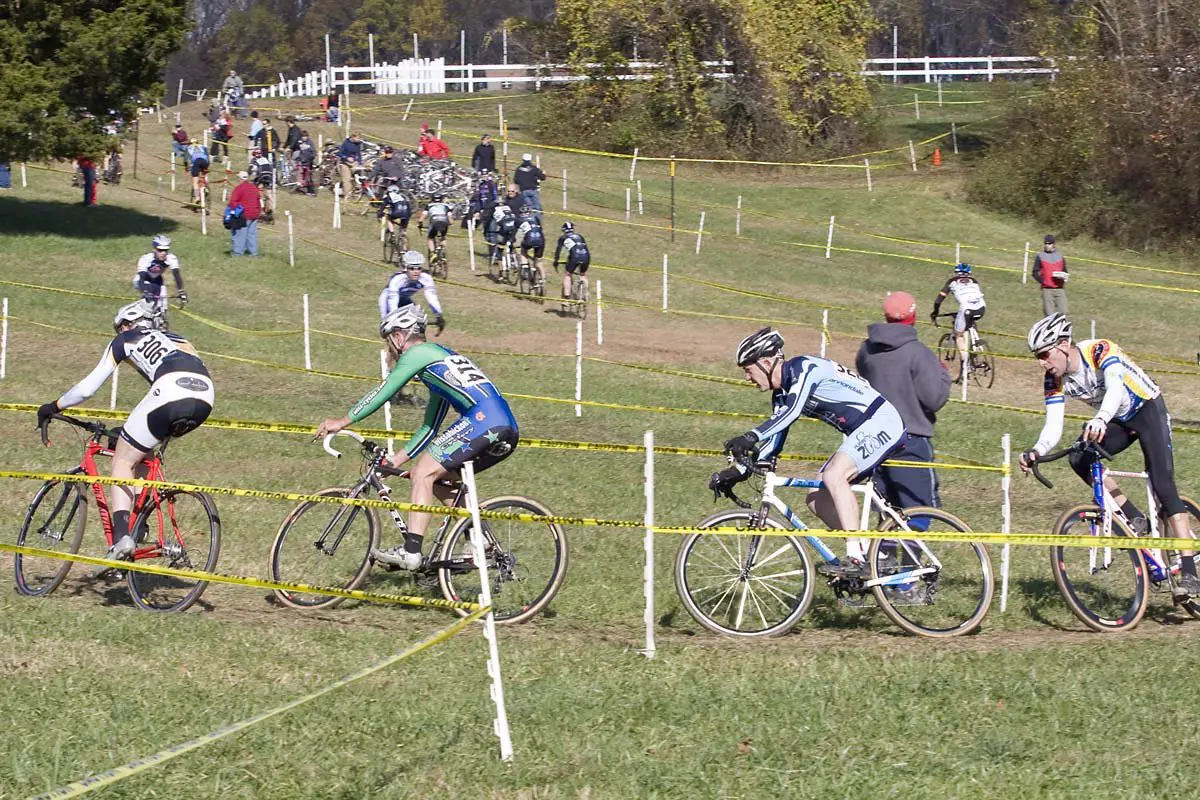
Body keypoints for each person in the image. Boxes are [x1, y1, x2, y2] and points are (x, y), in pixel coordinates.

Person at [314, 305, 518, 570]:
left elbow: (384, 390)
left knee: (423, 472)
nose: (389, 350)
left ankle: (411, 552)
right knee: (438, 479)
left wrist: (342, 421)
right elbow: (430, 428)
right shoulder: (437, 362)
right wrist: (397, 460)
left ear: (399, 337)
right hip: (505, 426)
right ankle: (479, 539)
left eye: (389, 342)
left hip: (484, 421)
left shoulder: (419, 354)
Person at [1020, 313, 1200, 597]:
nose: (1042, 362)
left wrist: (1101, 419)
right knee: (1080, 457)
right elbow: (1053, 424)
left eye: (1044, 354)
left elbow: (1115, 388)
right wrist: (1037, 450)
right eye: (1037, 357)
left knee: (1163, 485)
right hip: (1117, 420)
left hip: (1146, 409)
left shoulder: (1099, 350)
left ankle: (1190, 571)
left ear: (1064, 343)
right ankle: (1134, 516)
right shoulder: (1053, 380)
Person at [713, 328, 908, 573]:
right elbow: (774, 442)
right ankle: (872, 554)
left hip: (883, 422)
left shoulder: (804, 369)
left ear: (765, 362)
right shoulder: (782, 393)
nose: (747, 378)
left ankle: (856, 554)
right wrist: (739, 471)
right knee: (816, 499)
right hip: (864, 430)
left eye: (748, 370)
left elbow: (793, 411)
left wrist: (751, 436)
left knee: (834, 475)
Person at [37, 303, 214, 560]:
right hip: (205, 395)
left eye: (120, 326)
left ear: (126, 324)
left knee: (122, 458)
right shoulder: (179, 339)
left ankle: (121, 539)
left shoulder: (124, 340)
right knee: (141, 449)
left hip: (170, 390)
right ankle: (138, 523)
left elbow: (87, 389)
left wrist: (54, 406)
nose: (119, 330)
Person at [855, 291, 951, 518]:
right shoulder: (918, 353)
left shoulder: (866, 350)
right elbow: (934, 399)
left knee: (888, 511)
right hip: (911, 440)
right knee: (920, 512)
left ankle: (883, 554)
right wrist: (944, 375)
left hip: (876, 439)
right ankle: (913, 553)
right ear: (913, 316)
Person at [930, 263, 986, 383]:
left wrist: (935, 312)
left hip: (966, 309)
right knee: (970, 321)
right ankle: (977, 345)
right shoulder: (974, 281)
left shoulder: (951, 282)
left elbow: (939, 300)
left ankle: (965, 365)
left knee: (959, 336)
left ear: (956, 273)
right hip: (981, 307)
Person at [378, 250, 445, 333]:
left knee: (418, 320)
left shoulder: (426, 278)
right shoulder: (397, 279)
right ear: (406, 269)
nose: (416, 272)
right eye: (412, 268)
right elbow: (392, 302)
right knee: (388, 328)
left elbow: (431, 297)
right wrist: (393, 319)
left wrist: (438, 315)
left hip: (405, 299)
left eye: (419, 268)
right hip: (387, 298)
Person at [133, 235, 187, 316]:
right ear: (154, 249)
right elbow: (141, 278)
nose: (163, 253)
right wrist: (145, 290)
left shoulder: (171, 258)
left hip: (157, 280)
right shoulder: (146, 259)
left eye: (166, 250)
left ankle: (161, 323)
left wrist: (181, 291)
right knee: (151, 302)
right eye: (160, 250)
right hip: (142, 280)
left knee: (163, 305)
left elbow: (176, 275)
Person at [554, 221, 591, 304]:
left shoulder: (563, 237)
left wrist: (556, 261)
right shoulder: (580, 236)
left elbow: (558, 251)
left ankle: (566, 298)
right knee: (583, 274)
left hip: (575, 256)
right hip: (586, 256)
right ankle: (586, 293)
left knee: (568, 275)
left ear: (564, 230)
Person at [227, 170, 262, 256]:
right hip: (255, 214)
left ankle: (237, 253)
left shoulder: (238, 189)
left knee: (240, 234)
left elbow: (233, 202)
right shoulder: (254, 188)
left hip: (244, 214)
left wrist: (232, 213)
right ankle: (254, 253)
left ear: (240, 179)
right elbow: (259, 200)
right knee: (252, 234)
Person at [1033, 234, 1069, 315]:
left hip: (1059, 289)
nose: (1047, 245)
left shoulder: (1060, 256)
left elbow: (1065, 270)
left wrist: (1064, 277)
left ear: (1053, 244)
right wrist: (1043, 281)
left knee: (1064, 312)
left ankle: (1062, 327)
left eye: (1049, 243)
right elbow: (1034, 272)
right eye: (1045, 243)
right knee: (1049, 314)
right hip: (1047, 289)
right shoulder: (1040, 256)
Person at [515, 205, 545, 286]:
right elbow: (540, 229)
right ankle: (543, 279)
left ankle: (524, 266)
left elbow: (515, 233)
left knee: (523, 250)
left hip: (529, 239)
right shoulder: (536, 218)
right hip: (541, 240)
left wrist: (513, 242)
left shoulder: (518, 219)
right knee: (538, 261)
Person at [419, 192, 453, 259]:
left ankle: (432, 253)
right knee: (443, 236)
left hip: (434, 222)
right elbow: (451, 221)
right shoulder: (446, 206)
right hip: (444, 222)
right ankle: (442, 249)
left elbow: (421, 219)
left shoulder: (429, 206)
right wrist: (449, 223)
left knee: (430, 238)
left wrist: (420, 224)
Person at [513, 153, 545, 220]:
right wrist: (542, 173)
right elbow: (542, 177)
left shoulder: (519, 169)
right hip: (533, 190)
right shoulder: (533, 168)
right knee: (536, 206)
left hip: (523, 190)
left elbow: (515, 180)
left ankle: (530, 220)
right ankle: (538, 221)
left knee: (528, 207)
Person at [337, 132, 363, 201]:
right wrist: (346, 158)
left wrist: (360, 162)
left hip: (354, 163)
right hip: (345, 163)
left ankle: (357, 193)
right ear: (353, 137)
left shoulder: (358, 144)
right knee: (346, 180)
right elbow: (339, 153)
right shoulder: (346, 143)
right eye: (358, 138)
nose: (359, 139)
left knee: (358, 178)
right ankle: (347, 195)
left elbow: (359, 154)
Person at [186, 139, 210, 206]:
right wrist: (207, 166)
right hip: (205, 162)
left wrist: (186, 168)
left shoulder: (189, 148)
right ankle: (205, 187)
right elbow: (207, 156)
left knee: (195, 180)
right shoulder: (203, 146)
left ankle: (197, 197)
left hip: (196, 162)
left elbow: (186, 160)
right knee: (204, 174)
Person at [293, 130, 316, 196]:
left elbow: (314, 152)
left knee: (308, 177)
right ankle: (300, 188)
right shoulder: (299, 142)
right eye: (303, 136)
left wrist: (310, 159)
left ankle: (311, 191)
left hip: (308, 162)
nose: (304, 138)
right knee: (300, 175)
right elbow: (296, 149)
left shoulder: (310, 143)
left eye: (305, 136)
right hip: (300, 161)